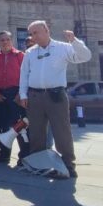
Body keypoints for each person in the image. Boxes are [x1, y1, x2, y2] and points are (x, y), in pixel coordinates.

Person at [19, 20, 91, 178]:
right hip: (34, 96)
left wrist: (74, 41)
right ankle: (38, 164)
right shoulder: (30, 52)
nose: (33, 36)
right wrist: (23, 95)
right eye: (30, 34)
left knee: (62, 131)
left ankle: (68, 165)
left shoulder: (63, 47)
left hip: (56, 95)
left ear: (46, 30)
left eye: (35, 32)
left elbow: (85, 56)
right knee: (36, 133)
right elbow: (24, 74)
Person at [0, 31, 29, 165]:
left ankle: (24, 157)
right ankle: (4, 154)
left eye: (7, 39)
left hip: (16, 93)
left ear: (12, 41)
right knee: (2, 126)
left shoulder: (20, 56)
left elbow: (27, 75)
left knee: (19, 126)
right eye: (2, 40)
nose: (5, 42)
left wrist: (21, 93)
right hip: (0, 95)